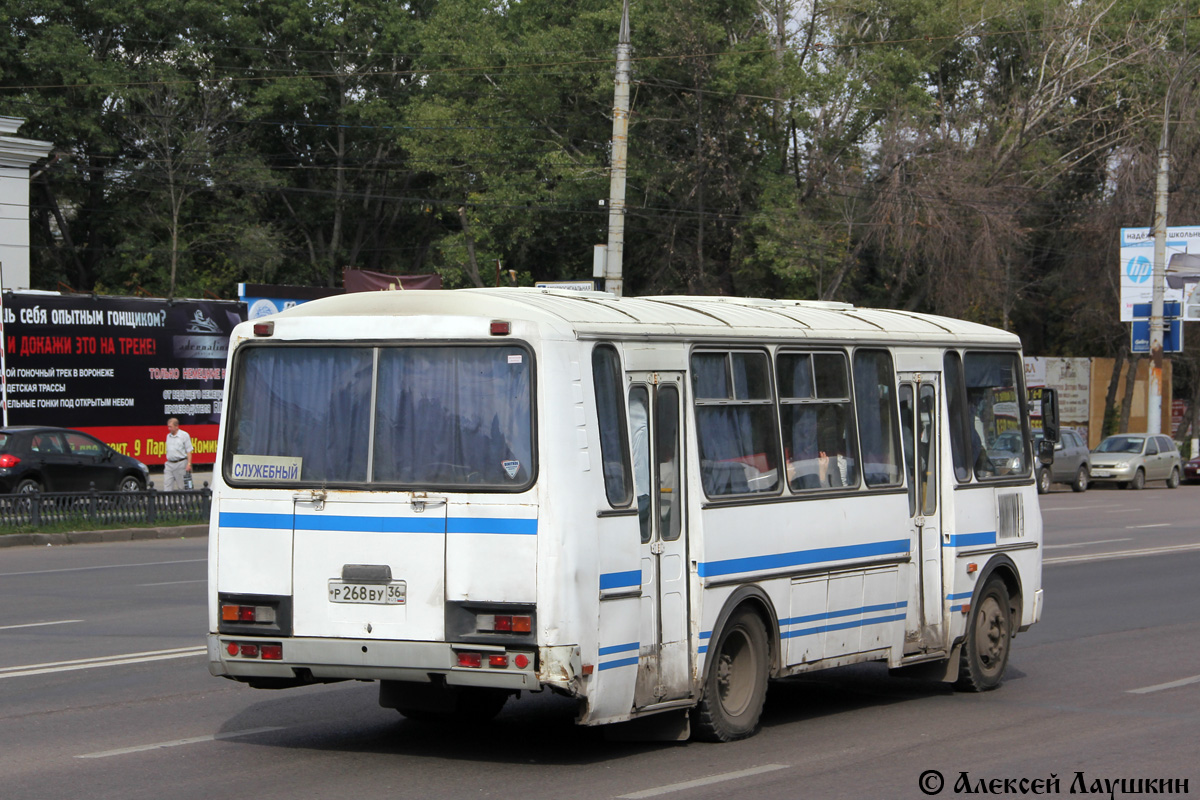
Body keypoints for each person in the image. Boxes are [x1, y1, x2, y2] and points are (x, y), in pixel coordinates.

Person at [164, 418, 194, 490]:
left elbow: (189, 451)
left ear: (176, 426)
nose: (169, 429)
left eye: (170, 427)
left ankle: (184, 501)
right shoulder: (168, 436)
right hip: (169, 464)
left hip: (180, 463)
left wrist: (189, 464)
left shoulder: (184, 435)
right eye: (168, 426)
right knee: (167, 485)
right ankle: (167, 501)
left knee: (182, 486)